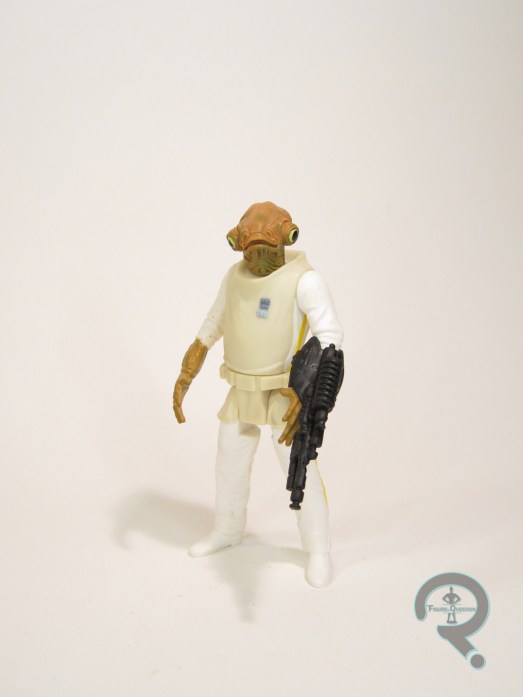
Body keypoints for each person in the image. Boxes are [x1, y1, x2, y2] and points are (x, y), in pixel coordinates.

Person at [173, 201, 343, 587]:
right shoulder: (234, 278)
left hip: (286, 392)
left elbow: (330, 337)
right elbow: (213, 324)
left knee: (300, 469)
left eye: (265, 251)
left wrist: (308, 390)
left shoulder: (305, 281)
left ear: (287, 239)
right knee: (229, 463)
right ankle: (227, 529)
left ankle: (318, 549)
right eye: (249, 252)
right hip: (241, 388)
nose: (255, 261)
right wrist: (186, 373)